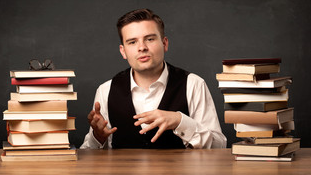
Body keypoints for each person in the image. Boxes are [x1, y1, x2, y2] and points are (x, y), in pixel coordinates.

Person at [80, 9, 226, 149]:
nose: (142, 47)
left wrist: (180, 121)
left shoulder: (193, 84)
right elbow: (88, 153)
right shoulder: (106, 90)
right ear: (123, 51)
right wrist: (98, 137)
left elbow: (219, 146)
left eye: (149, 39)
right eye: (132, 42)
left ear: (165, 43)